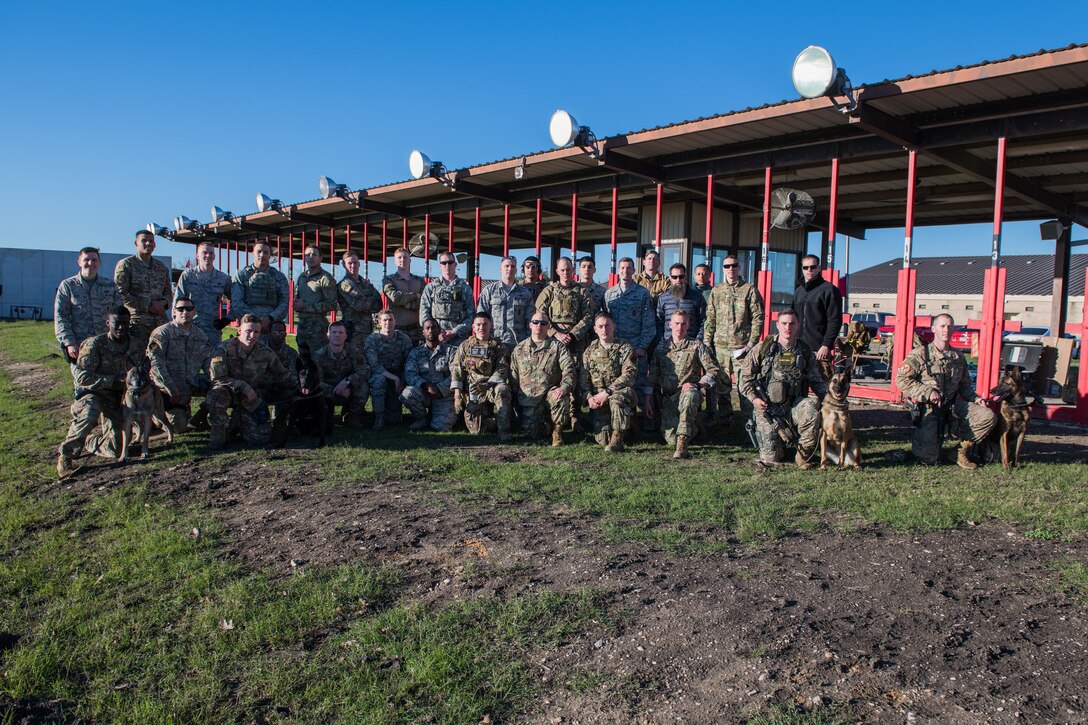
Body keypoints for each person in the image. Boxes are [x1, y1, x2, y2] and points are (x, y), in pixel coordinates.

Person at [895, 313, 997, 469]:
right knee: (929, 459)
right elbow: (901, 380)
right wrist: (927, 392)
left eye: (950, 326)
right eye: (942, 326)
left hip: (952, 406)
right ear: (934, 329)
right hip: (929, 409)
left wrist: (976, 399)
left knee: (987, 416)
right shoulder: (920, 354)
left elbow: (965, 387)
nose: (946, 330)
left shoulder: (958, 357)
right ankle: (927, 447)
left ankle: (959, 452)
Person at [57, 306, 142, 476]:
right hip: (93, 393)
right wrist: (113, 380)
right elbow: (82, 378)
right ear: (108, 323)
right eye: (117, 323)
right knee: (89, 413)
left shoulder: (136, 345)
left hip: (118, 397)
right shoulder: (95, 344)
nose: (121, 328)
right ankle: (67, 455)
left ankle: (90, 441)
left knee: (116, 449)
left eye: (126, 324)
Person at [739, 308, 827, 468]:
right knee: (773, 458)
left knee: (811, 407)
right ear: (777, 325)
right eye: (784, 323)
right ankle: (779, 447)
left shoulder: (804, 350)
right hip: (768, 409)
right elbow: (744, 380)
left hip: (795, 405)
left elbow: (816, 380)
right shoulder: (763, 348)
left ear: (798, 325)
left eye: (792, 324)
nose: (788, 328)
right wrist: (755, 399)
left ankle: (802, 456)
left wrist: (830, 400)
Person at [206, 314, 294, 450]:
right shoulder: (223, 349)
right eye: (248, 331)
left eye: (256, 332)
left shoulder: (265, 352)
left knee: (261, 438)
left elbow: (283, 374)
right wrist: (243, 386)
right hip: (228, 392)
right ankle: (219, 433)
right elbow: (218, 378)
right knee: (216, 394)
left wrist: (305, 387)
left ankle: (238, 422)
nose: (252, 335)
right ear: (239, 330)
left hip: (250, 398)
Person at [646, 310, 721, 459]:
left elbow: (714, 370)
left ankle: (683, 445)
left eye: (683, 324)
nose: (679, 327)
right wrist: (648, 398)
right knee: (670, 439)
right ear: (670, 325)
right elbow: (652, 375)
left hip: (688, 394)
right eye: (677, 323)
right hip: (668, 398)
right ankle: (696, 426)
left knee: (689, 395)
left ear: (688, 325)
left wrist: (698, 385)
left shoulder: (696, 346)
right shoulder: (661, 348)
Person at [704, 254, 764, 425]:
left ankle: (749, 422)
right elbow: (711, 318)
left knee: (744, 385)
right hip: (720, 347)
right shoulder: (717, 290)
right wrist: (708, 341)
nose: (731, 269)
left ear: (739, 268)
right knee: (722, 386)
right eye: (727, 266)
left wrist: (752, 343)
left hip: (742, 348)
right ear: (723, 269)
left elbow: (758, 318)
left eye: (734, 265)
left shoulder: (749, 290)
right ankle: (725, 421)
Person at [510, 309, 576, 446]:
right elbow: (513, 378)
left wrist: (564, 388)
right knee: (533, 434)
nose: (539, 325)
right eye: (535, 322)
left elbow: (569, 370)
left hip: (549, 397)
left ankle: (557, 432)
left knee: (561, 398)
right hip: (528, 401)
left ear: (548, 326)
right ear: (530, 325)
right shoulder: (519, 349)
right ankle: (542, 425)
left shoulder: (557, 347)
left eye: (543, 323)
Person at [147, 296, 212, 433]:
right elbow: (156, 364)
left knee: (220, 388)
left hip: (190, 384)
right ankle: (156, 415)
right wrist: (170, 387)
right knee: (178, 427)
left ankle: (200, 415)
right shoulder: (162, 333)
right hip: (166, 389)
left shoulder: (200, 335)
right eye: (180, 309)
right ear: (174, 312)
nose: (185, 312)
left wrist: (216, 381)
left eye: (189, 309)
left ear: (194, 312)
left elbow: (208, 363)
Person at [604, 256, 656, 426]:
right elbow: (605, 321)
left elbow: (649, 323)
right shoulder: (609, 294)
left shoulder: (642, 293)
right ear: (618, 271)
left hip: (635, 348)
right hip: (615, 349)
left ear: (634, 271)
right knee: (619, 384)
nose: (625, 271)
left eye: (628, 268)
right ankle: (622, 421)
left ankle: (645, 421)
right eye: (622, 268)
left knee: (639, 383)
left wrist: (642, 347)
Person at [580, 313, 637, 452]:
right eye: (600, 326)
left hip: (618, 393)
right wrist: (589, 398)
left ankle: (618, 440)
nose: (604, 329)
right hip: (598, 398)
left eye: (607, 325)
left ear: (614, 327)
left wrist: (608, 392)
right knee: (602, 439)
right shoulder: (589, 351)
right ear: (595, 329)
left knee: (617, 400)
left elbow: (629, 374)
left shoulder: (624, 348)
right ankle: (626, 427)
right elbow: (584, 379)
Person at [451, 313, 513, 441]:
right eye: (478, 324)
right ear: (473, 326)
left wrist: (487, 385)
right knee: (477, 430)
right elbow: (457, 369)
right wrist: (457, 395)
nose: (481, 327)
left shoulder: (498, 346)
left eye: (485, 324)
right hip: (474, 389)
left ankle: (504, 431)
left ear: (490, 325)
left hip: (491, 387)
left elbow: (502, 368)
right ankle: (491, 421)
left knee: (503, 391)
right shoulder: (465, 346)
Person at [55, 246, 121, 363]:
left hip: (106, 344)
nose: (91, 263)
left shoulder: (110, 285)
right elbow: (61, 317)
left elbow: (118, 315)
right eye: (86, 260)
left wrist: (117, 340)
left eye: (94, 260)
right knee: (83, 380)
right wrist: (69, 343)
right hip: (80, 346)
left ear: (99, 263)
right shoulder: (68, 286)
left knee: (108, 379)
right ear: (79, 262)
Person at [115, 229, 172, 357]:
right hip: (136, 324)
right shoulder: (126, 265)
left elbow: (168, 292)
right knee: (138, 360)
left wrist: (163, 303)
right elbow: (120, 293)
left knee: (161, 359)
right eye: (144, 241)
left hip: (160, 323)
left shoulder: (161, 267)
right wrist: (148, 305)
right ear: (136, 243)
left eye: (151, 241)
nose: (148, 244)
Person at [401, 319, 458, 432]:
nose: (430, 331)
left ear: (439, 331)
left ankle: (440, 415)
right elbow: (410, 374)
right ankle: (422, 418)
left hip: (444, 396)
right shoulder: (416, 353)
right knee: (407, 394)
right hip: (424, 393)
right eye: (427, 328)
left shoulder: (451, 351)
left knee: (441, 427)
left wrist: (439, 389)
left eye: (433, 328)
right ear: (423, 332)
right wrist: (426, 386)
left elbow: (456, 374)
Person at [311, 320, 371, 428]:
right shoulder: (319, 355)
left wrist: (347, 382)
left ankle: (352, 415)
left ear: (345, 336)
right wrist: (335, 390)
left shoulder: (354, 351)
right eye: (334, 332)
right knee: (316, 393)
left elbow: (364, 371)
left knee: (363, 387)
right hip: (328, 389)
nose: (337, 335)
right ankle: (323, 416)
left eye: (340, 332)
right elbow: (316, 381)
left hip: (348, 387)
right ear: (328, 335)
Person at [792, 254, 843, 374]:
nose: (809, 270)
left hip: (819, 350)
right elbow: (792, 318)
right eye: (806, 267)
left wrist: (826, 344)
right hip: (798, 347)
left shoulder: (829, 290)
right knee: (796, 385)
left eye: (813, 267)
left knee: (822, 387)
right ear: (802, 269)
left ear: (819, 268)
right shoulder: (798, 291)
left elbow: (835, 320)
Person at [364, 309, 414, 429]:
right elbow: (374, 365)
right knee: (378, 380)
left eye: (390, 319)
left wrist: (401, 380)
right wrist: (395, 378)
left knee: (394, 420)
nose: (388, 323)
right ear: (379, 322)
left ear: (395, 321)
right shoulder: (372, 339)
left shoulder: (404, 338)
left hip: (398, 375)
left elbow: (410, 362)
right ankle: (379, 418)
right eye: (384, 320)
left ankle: (415, 416)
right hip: (380, 374)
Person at [176, 241, 231, 344]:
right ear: (197, 256)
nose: (208, 256)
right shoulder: (188, 276)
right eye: (204, 253)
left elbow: (236, 300)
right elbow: (178, 301)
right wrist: (178, 325)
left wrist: (227, 319)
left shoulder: (223, 278)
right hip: (190, 327)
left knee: (213, 359)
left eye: (211, 253)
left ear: (214, 256)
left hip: (212, 330)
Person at [230, 241, 290, 332]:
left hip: (271, 328)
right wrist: (254, 319)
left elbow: (284, 302)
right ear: (253, 253)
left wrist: (270, 318)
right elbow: (237, 302)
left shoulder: (279, 277)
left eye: (266, 252)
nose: (262, 255)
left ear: (270, 255)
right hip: (249, 328)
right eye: (259, 251)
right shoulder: (241, 275)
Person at [477, 255, 533, 351]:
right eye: (506, 266)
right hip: (493, 343)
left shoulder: (525, 293)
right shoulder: (489, 291)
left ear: (516, 270)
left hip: (518, 345)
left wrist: (528, 342)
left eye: (512, 266)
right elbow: (481, 318)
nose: (509, 268)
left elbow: (530, 320)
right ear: (500, 269)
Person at [294, 244, 339, 361]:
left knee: (319, 363)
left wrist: (306, 307)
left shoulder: (325, 278)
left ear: (320, 258)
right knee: (304, 362)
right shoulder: (301, 277)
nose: (311, 257)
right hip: (302, 326)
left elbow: (332, 304)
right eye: (307, 255)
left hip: (317, 329)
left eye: (314, 254)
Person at [420, 251, 475, 345]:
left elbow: (471, 316)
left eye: (450, 262)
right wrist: (435, 332)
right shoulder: (431, 287)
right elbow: (424, 313)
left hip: (458, 340)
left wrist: (455, 332)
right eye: (444, 263)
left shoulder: (465, 288)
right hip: (436, 339)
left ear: (455, 264)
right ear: (440, 265)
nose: (447, 265)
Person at [337, 250, 382, 348]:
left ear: (359, 264)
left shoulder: (365, 283)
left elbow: (379, 304)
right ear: (344, 265)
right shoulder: (344, 285)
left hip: (368, 330)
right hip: (353, 332)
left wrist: (366, 301)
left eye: (355, 262)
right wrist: (370, 299)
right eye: (349, 263)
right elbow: (359, 305)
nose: (353, 265)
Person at [382, 247, 426, 344]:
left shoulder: (419, 281)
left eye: (405, 257)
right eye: (399, 257)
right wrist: (416, 295)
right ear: (395, 261)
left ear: (410, 260)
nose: (402, 260)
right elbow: (395, 298)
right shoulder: (389, 280)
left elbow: (424, 301)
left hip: (417, 331)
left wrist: (404, 301)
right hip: (397, 331)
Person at [656, 263, 706, 342]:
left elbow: (703, 321)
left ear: (685, 277)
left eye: (681, 277)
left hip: (691, 344)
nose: (678, 280)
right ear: (670, 278)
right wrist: (661, 341)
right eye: (674, 277)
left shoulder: (697, 297)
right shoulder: (663, 298)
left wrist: (698, 340)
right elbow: (659, 322)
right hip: (668, 345)